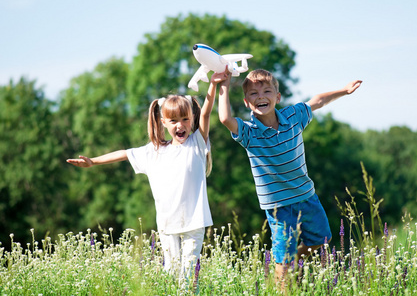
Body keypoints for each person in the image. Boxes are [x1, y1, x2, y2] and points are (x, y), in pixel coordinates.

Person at [67, 71, 229, 279]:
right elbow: (124, 154)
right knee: (171, 273)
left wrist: (213, 85)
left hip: (194, 222)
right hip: (167, 224)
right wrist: (94, 161)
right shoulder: (154, 152)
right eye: (173, 120)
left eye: (185, 119)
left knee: (188, 276)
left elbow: (206, 114)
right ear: (163, 122)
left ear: (192, 119)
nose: (180, 125)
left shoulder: (196, 144)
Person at [218, 69, 362, 284]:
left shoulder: (294, 117)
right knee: (283, 257)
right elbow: (225, 118)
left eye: (266, 91)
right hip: (278, 206)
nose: (261, 97)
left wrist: (344, 90)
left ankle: (294, 265)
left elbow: (318, 101)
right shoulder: (249, 133)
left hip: (306, 196)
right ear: (247, 102)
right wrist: (224, 85)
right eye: (253, 94)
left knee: (322, 242)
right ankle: (283, 281)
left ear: (277, 97)